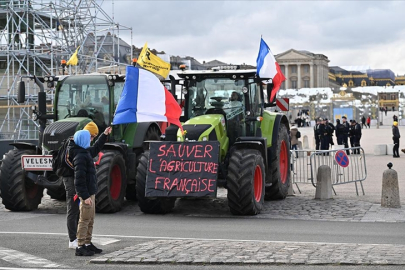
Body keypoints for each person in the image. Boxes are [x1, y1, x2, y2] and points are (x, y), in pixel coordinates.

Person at [64, 122, 110, 250]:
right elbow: (79, 179)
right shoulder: (79, 155)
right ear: (85, 137)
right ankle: (77, 241)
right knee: (76, 212)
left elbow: (95, 149)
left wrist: (104, 135)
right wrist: (84, 195)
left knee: (88, 217)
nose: (92, 140)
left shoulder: (83, 150)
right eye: (91, 137)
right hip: (79, 186)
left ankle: (87, 243)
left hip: (87, 188)